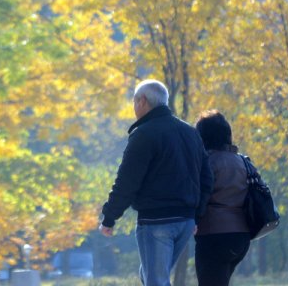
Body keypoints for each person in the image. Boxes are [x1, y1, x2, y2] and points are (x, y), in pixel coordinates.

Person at [99, 79, 213, 286]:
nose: (134, 107)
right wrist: (197, 215)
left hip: (157, 220)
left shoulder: (144, 134)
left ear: (142, 101)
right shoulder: (190, 133)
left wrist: (109, 216)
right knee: (150, 275)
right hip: (186, 221)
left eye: (134, 102)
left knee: (156, 281)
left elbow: (127, 181)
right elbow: (207, 177)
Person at [194, 110, 251, 286]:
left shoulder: (207, 163)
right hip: (241, 236)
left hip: (214, 234)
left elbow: (198, 196)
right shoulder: (242, 162)